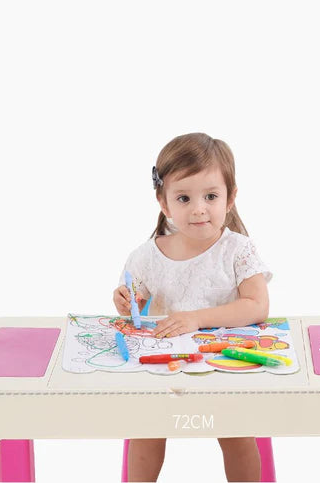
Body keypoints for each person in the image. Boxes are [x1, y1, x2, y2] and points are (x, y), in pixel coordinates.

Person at [113, 132, 272, 482]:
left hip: (225, 364)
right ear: (164, 203)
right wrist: (125, 301)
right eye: (184, 198)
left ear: (230, 198)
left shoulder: (238, 250)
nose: (199, 208)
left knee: (237, 436)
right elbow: (135, 307)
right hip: (164, 366)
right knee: (146, 433)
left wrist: (195, 319)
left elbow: (258, 305)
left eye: (210, 196)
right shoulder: (148, 255)